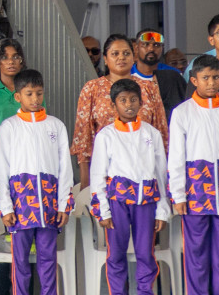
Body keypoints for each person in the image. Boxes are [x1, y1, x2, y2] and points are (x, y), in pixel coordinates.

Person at [0, 69, 73, 295]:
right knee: (21, 263)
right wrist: (6, 207)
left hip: (49, 204)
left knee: (48, 260)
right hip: (20, 206)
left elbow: (65, 168)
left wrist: (64, 204)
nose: (35, 99)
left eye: (39, 93)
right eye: (29, 94)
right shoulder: (9, 127)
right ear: (18, 96)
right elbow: (1, 170)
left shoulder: (56, 126)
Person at [89, 78, 170, 295]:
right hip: (117, 205)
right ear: (113, 105)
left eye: (133, 99)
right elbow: (98, 174)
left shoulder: (151, 134)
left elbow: (161, 173)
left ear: (141, 102)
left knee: (146, 252)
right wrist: (102, 210)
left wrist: (162, 209)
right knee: (116, 254)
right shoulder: (106, 135)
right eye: (123, 100)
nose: (129, 104)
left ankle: (145, 291)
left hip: (147, 203)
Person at [168, 55, 219, 294]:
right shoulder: (182, 113)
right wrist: (178, 195)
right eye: (205, 78)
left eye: (216, 77)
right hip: (195, 194)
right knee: (196, 255)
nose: (211, 83)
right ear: (194, 80)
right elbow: (175, 156)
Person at [73, 34, 170, 176]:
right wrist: (86, 180)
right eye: (115, 54)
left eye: (126, 53)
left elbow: (161, 132)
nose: (121, 57)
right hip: (106, 170)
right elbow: (83, 138)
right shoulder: (92, 88)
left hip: (144, 169)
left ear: (134, 57)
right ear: (105, 59)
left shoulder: (148, 88)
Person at [133, 28, 187, 110]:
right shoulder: (128, 74)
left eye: (156, 45)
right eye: (146, 44)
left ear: (162, 48)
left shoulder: (173, 75)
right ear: (136, 48)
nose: (151, 49)